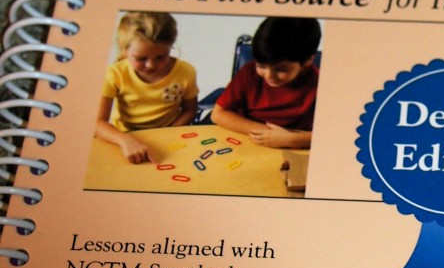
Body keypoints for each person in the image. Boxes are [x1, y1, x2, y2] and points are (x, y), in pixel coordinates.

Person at [96, 12, 199, 164]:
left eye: (161, 57)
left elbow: (189, 110)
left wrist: (168, 132)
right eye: (141, 58)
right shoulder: (114, 74)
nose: (151, 65)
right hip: (125, 137)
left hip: (170, 136)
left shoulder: (186, 71)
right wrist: (125, 140)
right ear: (124, 50)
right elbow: (97, 123)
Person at [211, 17, 321, 149]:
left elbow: (335, 133)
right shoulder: (249, 73)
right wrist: (268, 133)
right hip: (251, 141)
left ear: (308, 61)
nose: (269, 76)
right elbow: (218, 114)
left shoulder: (322, 83)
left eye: (281, 69)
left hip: (296, 146)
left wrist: (291, 139)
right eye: (261, 66)